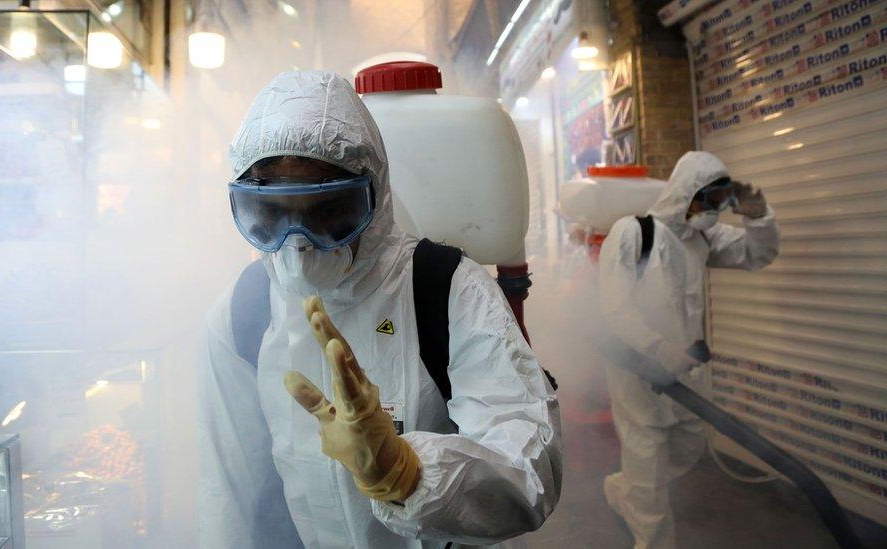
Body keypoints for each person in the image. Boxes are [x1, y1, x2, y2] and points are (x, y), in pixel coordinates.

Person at [196, 70, 562, 548]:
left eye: (326, 210)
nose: (298, 245)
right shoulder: (241, 314)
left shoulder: (443, 289)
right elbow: (227, 489)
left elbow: (530, 469)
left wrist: (407, 473)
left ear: (375, 194)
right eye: (270, 214)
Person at [598, 151, 780, 549]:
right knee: (647, 461)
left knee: (688, 442)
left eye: (721, 202)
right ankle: (652, 537)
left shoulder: (700, 239)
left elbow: (756, 253)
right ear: (686, 193)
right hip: (639, 369)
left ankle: (623, 490)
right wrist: (657, 348)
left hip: (685, 369)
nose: (714, 211)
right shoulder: (633, 233)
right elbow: (614, 306)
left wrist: (758, 215)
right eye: (709, 201)